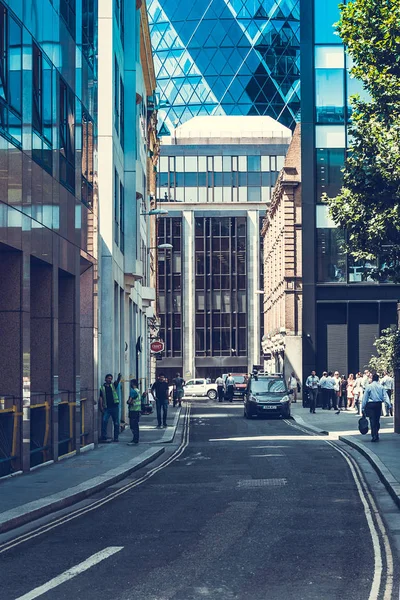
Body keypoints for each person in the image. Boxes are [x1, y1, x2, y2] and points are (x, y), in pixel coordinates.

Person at [362, 373, 391, 442]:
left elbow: (365, 397)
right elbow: (385, 396)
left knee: (372, 420)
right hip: (378, 404)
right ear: (378, 379)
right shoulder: (381, 387)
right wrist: (389, 405)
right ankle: (376, 433)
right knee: (377, 420)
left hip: (371, 404)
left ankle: (374, 435)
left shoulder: (369, 386)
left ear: (372, 378)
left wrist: (363, 407)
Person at [99, 372, 122, 442]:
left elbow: (117, 382)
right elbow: (101, 397)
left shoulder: (113, 385)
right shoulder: (102, 387)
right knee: (104, 421)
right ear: (105, 379)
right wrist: (101, 407)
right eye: (109, 378)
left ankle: (116, 437)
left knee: (116, 422)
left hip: (115, 407)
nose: (110, 380)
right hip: (107, 408)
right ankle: (104, 436)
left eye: (111, 379)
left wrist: (119, 377)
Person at [127, 379, 141, 445]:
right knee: (136, 425)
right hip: (137, 410)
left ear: (132, 384)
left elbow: (130, 401)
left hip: (133, 410)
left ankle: (135, 439)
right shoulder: (138, 391)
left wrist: (128, 402)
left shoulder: (133, 391)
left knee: (133, 426)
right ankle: (136, 438)